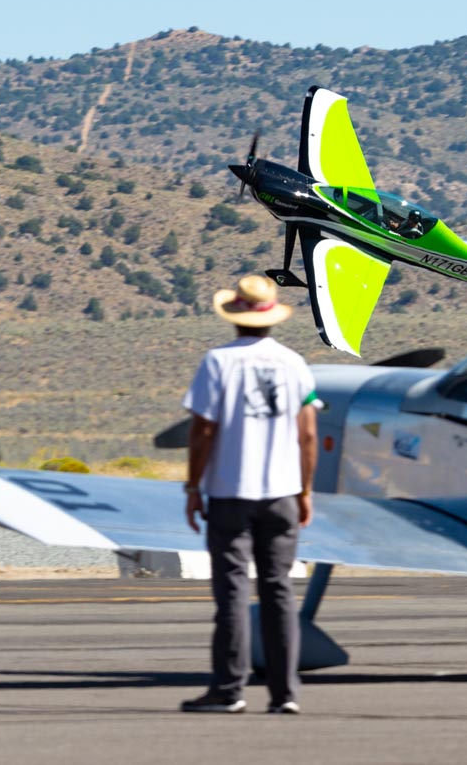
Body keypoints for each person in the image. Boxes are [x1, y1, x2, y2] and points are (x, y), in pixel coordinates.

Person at [178, 275, 317, 716]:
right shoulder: (294, 363)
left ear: (235, 316)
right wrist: (306, 490)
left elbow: (202, 429)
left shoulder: (218, 363)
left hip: (230, 492)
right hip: (281, 493)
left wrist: (193, 485)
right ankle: (285, 693)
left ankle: (228, 687)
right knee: (279, 591)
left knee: (233, 593)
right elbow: (308, 434)